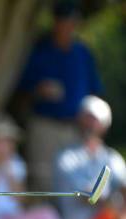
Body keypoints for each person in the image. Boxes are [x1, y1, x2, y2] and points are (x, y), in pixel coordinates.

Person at [16, 0, 102, 189]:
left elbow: (94, 93)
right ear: (56, 22)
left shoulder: (82, 53)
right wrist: (39, 90)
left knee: (75, 184)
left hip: (75, 128)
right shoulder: (40, 50)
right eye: (64, 21)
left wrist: (92, 128)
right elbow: (21, 91)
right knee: (43, 182)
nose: (68, 26)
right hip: (44, 126)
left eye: (72, 21)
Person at [54, 96, 126, 219]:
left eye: (93, 118)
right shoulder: (66, 157)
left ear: (103, 124)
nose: (89, 123)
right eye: (86, 117)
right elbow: (89, 198)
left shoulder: (112, 157)